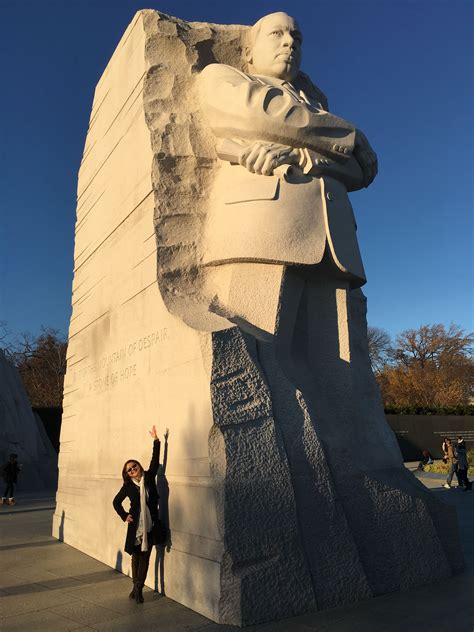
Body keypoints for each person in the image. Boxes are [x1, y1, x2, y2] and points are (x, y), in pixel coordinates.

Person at [198, 11, 378, 340]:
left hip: (334, 238)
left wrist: (301, 155)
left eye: (297, 38)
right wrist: (349, 133)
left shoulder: (317, 106)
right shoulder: (224, 77)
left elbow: (360, 170)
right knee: (257, 345)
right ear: (248, 52)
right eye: (277, 34)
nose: (289, 43)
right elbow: (260, 114)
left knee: (340, 367)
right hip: (265, 227)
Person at [113, 426, 162, 603]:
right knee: (136, 557)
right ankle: (136, 586)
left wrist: (156, 441)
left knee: (146, 557)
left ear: (139, 466)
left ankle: (138, 588)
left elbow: (155, 462)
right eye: (129, 469)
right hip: (136, 526)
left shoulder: (148, 478)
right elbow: (116, 502)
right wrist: (124, 515)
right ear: (127, 474)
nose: (133, 469)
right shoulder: (127, 487)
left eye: (134, 466)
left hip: (150, 524)